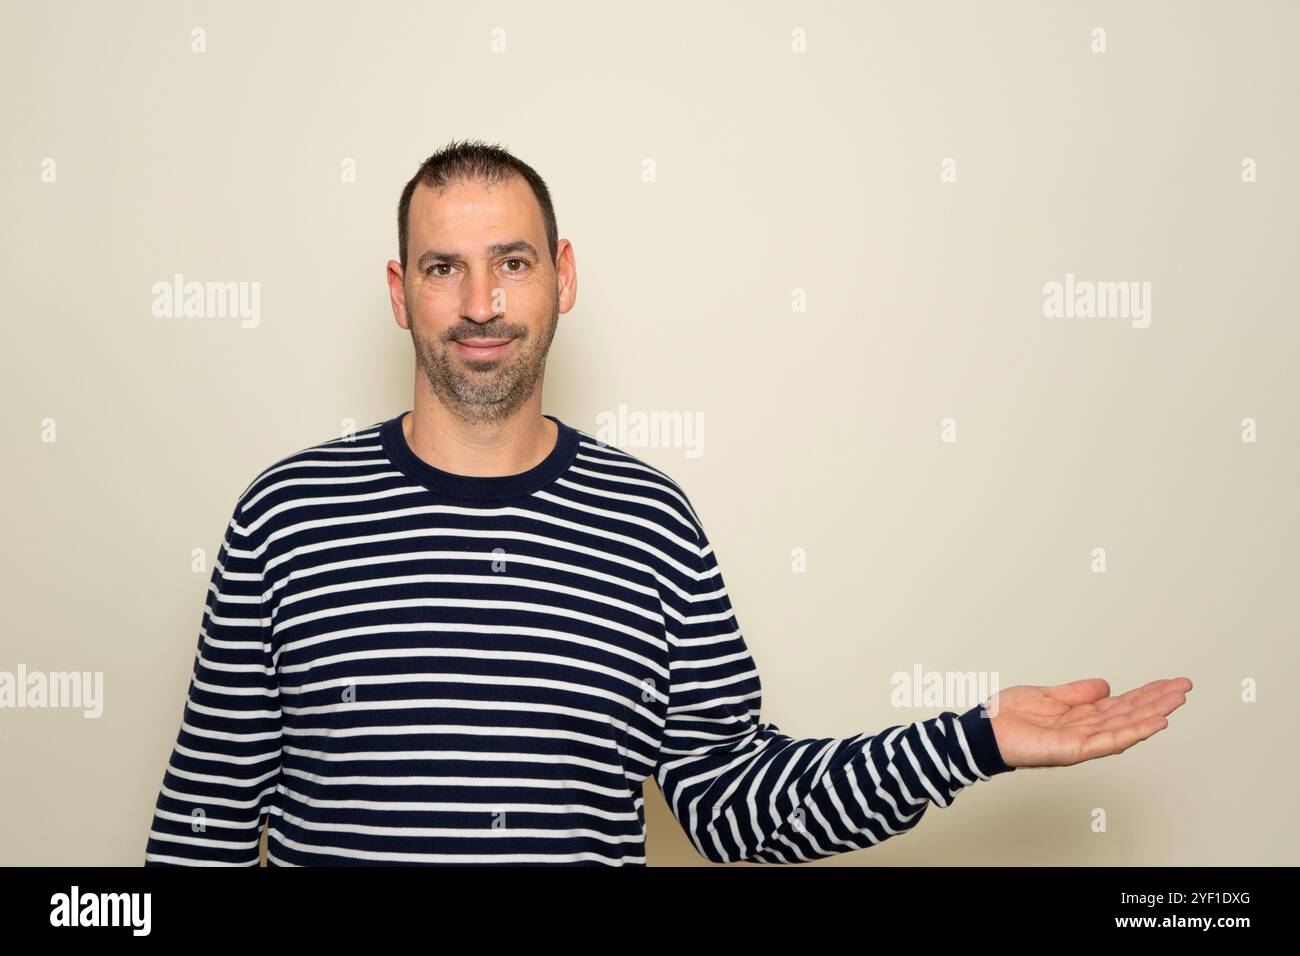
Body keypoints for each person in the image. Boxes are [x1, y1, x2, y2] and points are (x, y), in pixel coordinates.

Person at [143, 139, 1192, 866]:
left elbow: (736, 805)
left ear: (561, 275)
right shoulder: (285, 518)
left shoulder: (649, 523)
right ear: (397, 290)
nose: (479, 303)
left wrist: (973, 739)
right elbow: (201, 833)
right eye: (441, 268)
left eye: (510, 262)